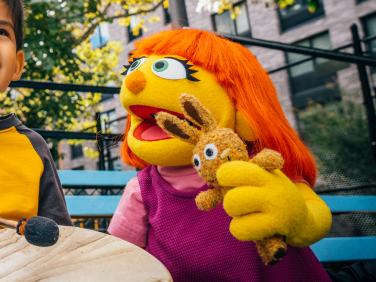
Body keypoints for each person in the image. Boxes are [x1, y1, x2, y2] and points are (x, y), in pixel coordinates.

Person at [108, 28, 333, 281]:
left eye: (166, 68)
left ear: (242, 104)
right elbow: (122, 255)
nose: (134, 81)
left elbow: (315, 215)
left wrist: (297, 218)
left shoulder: (260, 163)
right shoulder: (143, 189)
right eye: (134, 68)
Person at [0, 0, 72, 226]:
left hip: (24, 261)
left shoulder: (32, 146)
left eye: (1, 31)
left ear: (17, 65)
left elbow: (60, 238)